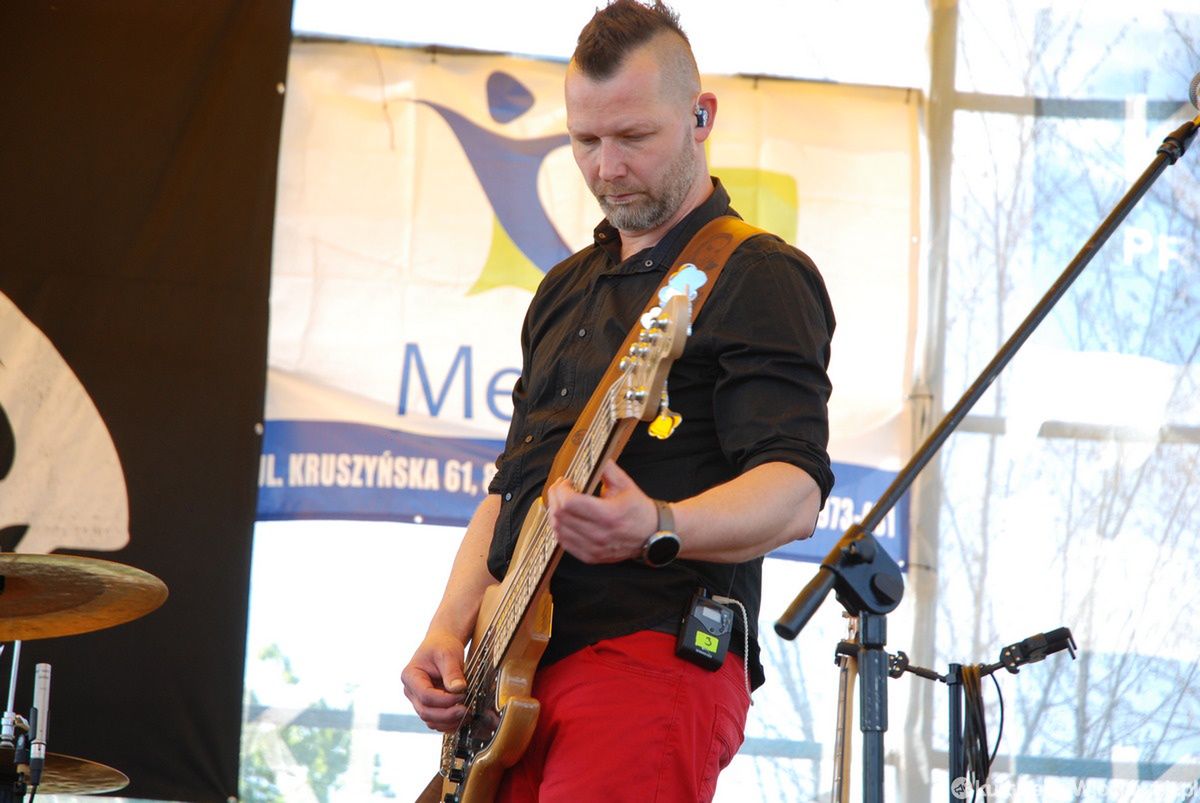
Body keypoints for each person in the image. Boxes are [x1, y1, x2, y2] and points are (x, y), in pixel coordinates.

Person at [402, 1, 835, 799]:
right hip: (507, 686)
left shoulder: (757, 272)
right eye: (585, 141)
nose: (606, 168)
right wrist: (448, 626)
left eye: (633, 137)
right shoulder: (562, 289)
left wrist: (659, 525)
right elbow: (511, 491)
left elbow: (796, 492)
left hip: (648, 654)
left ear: (701, 117)